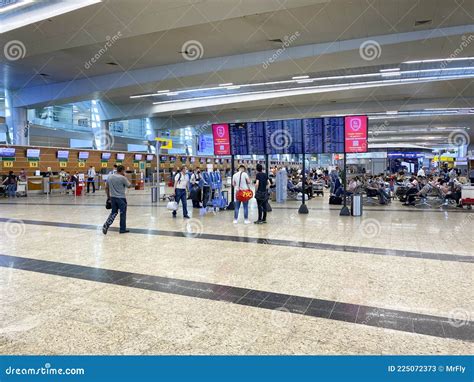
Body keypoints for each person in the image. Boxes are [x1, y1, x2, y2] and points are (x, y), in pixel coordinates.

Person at [102, 165, 131, 234]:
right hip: (121, 198)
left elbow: (106, 188)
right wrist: (125, 177)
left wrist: (108, 197)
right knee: (122, 213)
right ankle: (122, 229)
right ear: (122, 170)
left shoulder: (110, 177)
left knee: (113, 212)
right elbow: (129, 185)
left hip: (113, 198)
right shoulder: (122, 178)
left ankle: (107, 224)